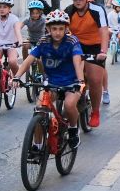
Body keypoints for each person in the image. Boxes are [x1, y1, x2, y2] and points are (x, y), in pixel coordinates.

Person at [13, 10, 85, 150]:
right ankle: (38, 145)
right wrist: (17, 76)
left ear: (66, 29)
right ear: (48, 29)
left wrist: (80, 81)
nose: (57, 32)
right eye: (54, 29)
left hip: (71, 82)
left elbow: (77, 61)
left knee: (70, 105)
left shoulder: (72, 41)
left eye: (60, 29)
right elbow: (29, 60)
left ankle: (73, 129)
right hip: (51, 83)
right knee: (40, 110)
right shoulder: (43, 41)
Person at [63, 0, 109, 128]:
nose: (78, 0)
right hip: (76, 46)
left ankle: (95, 111)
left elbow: (104, 31)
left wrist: (103, 52)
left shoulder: (97, 10)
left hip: (95, 47)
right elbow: (60, 31)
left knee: (95, 79)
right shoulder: (69, 11)